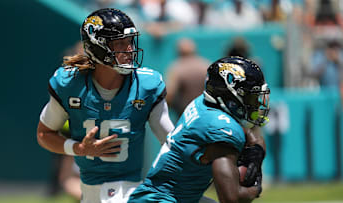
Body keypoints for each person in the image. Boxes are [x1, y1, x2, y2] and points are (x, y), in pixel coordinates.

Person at [36, 8, 175, 203]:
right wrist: (79, 148)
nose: (129, 50)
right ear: (98, 47)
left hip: (131, 190)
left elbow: (171, 142)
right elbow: (44, 134)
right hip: (91, 193)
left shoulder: (147, 84)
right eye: (120, 43)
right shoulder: (69, 83)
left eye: (129, 42)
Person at [128, 56, 269, 203]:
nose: (257, 104)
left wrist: (256, 152)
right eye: (250, 96)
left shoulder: (205, 105)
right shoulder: (220, 129)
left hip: (165, 196)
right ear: (232, 94)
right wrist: (256, 188)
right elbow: (231, 199)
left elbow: (250, 134)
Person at [165, 38, 210, 117]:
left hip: (186, 116)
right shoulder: (206, 65)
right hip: (207, 113)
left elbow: (169, 94)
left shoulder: (177, 67)